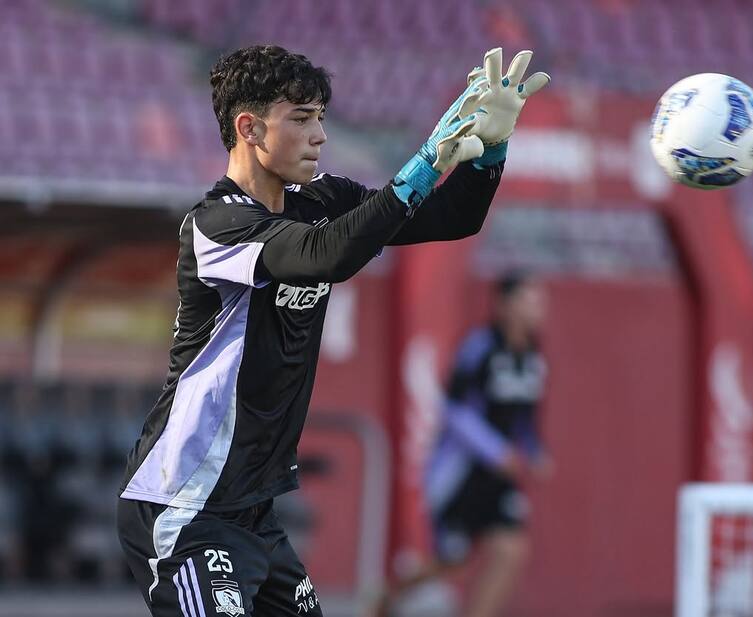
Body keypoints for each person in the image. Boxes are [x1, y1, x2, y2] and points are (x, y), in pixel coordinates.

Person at [116, 44, 549, 617]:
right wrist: (423, 163)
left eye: (320, 115)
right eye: (300, 118)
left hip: (254, 512)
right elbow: (329, 255)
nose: (320, 134)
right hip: (184, 504)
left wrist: (490, 150)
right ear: (249, 128)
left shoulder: (323, 199)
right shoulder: (216, 225)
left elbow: (454, 218)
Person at [374, 274, 553, 617]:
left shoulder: (533, 356)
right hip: (461, 474)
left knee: (510, 549)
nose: (537, 310)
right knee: (452, 562)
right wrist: (494, 450)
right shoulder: (480, 347)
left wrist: (533, 450)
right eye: (528, 301)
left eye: (540, 302)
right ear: (504, 305)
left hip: (498, 480)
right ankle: (389, 594)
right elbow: (453, 409)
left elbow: (524, 419)